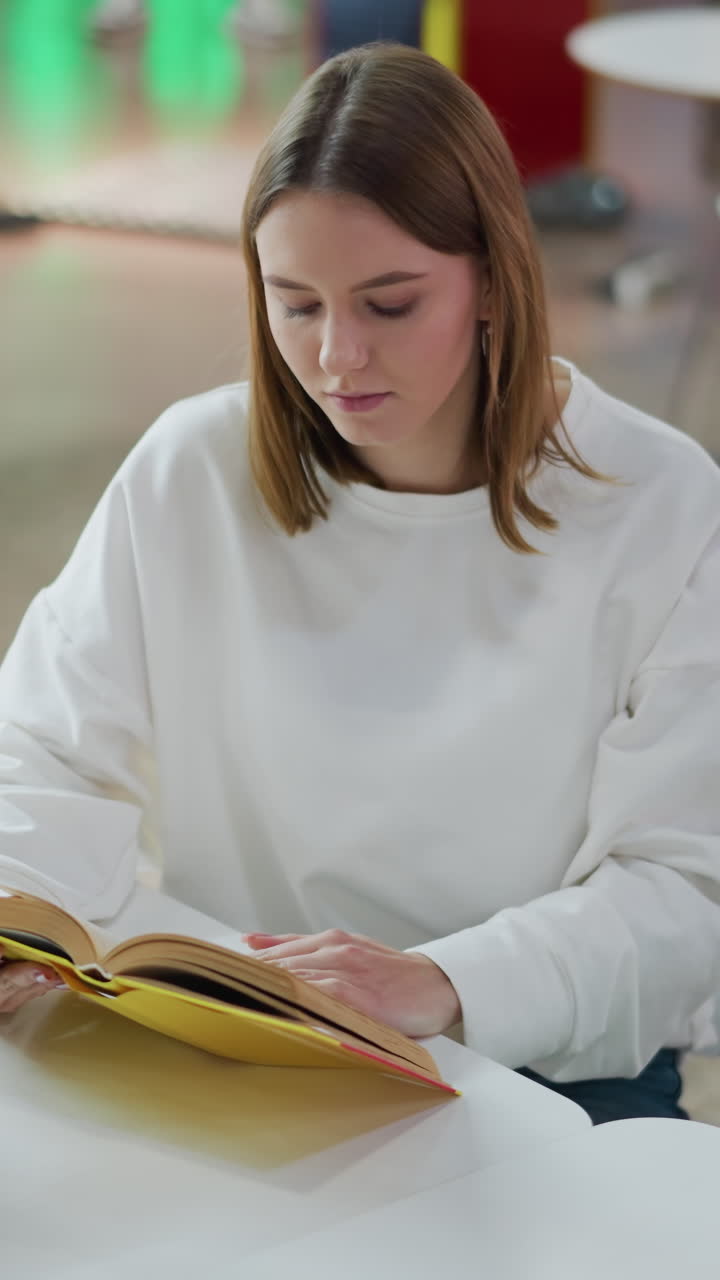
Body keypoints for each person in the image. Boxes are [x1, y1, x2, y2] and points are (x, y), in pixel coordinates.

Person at [1, 43, 719, 1124]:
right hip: (242, 1031)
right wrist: (23, 917)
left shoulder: (660, 498)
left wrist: (444, 981)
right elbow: (40, 748)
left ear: (491, 280)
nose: (337, 357)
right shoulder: (190, 467)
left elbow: (685, 887)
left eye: (390, 304)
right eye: (296, 304)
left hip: (547, 1059)